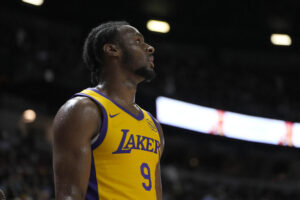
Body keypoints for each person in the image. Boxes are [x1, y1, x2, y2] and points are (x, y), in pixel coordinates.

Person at [52, 21, 165, 200]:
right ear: (112, 50)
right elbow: (69, 196)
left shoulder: (153, 125)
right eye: (137, 41)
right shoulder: (84, 110)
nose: (150, 48)